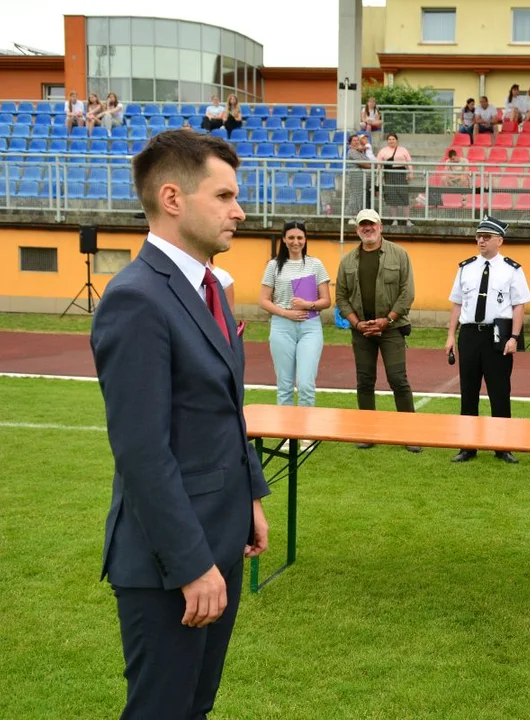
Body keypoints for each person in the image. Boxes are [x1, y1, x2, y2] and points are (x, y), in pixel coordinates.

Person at [89, 130, 269, 719]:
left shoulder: (209, 287)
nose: (239, 211)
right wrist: (192, 564)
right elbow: (143, 452)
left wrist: (252, 499)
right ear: (173, 198)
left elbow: (223, 410)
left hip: (219, 532)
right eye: (223, 196)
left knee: (195, 705)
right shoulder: (137, 298)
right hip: (171, 559)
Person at [445, 216, 530, 464]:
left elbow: (518, 306)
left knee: (500, 390)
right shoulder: (466, 267)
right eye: (478, 237)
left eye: (486, 237)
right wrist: (451, 335)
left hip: (498, 335)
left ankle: (502, 445)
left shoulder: (512, 269)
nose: (481, 241)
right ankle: (467, 445)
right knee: (468, 391)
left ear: (499, 241)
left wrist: (514, 337)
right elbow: (457, 304)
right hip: (471, 334)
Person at [335, 208, 421, 452]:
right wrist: (356, 323)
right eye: (363, 225)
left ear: (380, 226)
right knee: (364, 381)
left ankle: (410, 436)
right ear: (357, 229)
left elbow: (407, 293)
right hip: (361, 330)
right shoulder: (348, 261)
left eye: (371, 224)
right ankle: (367, 433)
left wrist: (387, 319)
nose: (367, 228)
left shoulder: (399, 254)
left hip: (392, 328)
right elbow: (341, 296)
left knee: (398, 379)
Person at [258, 220, 331, 408]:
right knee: (284, 386)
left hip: (310, 326)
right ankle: (287, 436)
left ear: (305, 239)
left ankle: (306, 434)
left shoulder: (315, 264)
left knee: (306, 384)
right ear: (284, 239)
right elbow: (263, 300)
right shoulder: (274, 266)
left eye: (299, 237)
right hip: (282, 327)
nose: (295, 242)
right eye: (291, 237)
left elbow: (326, 300)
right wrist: (285, 313)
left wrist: (309, 304)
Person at [376, 133, 414, 225]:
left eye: (393, 139)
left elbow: (409, 162)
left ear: (397, 140)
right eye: (389, 139)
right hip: (389, 175)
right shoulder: (383, 151)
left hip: (401, 174)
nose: (391, 141)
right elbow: (379, 164)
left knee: (404, 196)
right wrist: (379, 174)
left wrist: (411, 173)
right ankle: (394, 220)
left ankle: (408, 220)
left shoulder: (403, 150)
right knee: (392, 197)